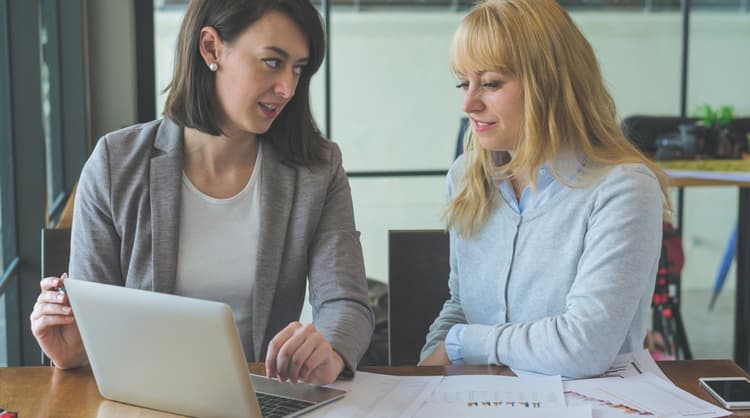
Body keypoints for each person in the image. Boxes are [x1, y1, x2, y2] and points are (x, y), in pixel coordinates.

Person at [30, 0, 373, 385]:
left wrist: (329, 349)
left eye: (298, 68)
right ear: (211, 48)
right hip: (146, 399)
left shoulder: (317, 168)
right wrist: (72, 353)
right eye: (273, 62)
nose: (288, 88)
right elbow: (94, 329)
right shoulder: (115, 163)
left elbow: (346, 302)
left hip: (262, 398)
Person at [419, 0, 671, 378]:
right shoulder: (466, 176)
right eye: (463, 82)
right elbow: (462, 307)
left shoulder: (624, 189)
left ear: (549, 83)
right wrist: (425, 372)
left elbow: (582, 347)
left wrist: (461, 343)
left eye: (490, 83)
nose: (468, 102)